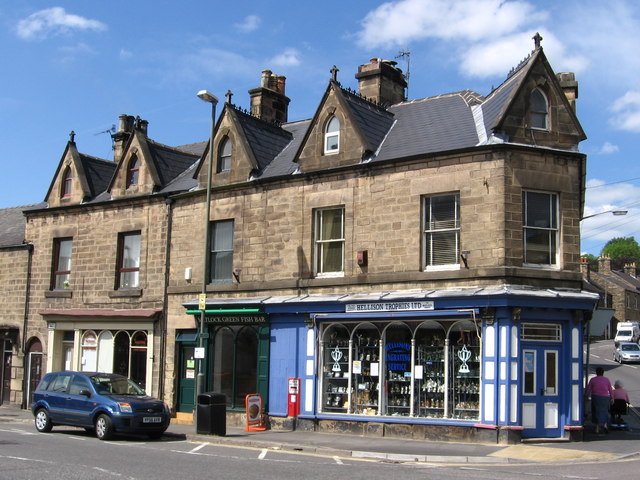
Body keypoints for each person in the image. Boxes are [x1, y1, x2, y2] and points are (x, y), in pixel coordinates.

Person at [585, 367, 614, 434]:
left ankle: (597, 428)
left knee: (596, 412)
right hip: (605, 397)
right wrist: (612, 398)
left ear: (596, 372)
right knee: (605, 411)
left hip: (595, 397)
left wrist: (586, 396)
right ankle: (605, 425)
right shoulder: (607, 380)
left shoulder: (593, 380)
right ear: (603, 373)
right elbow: (610, 389)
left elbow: (589, 389)